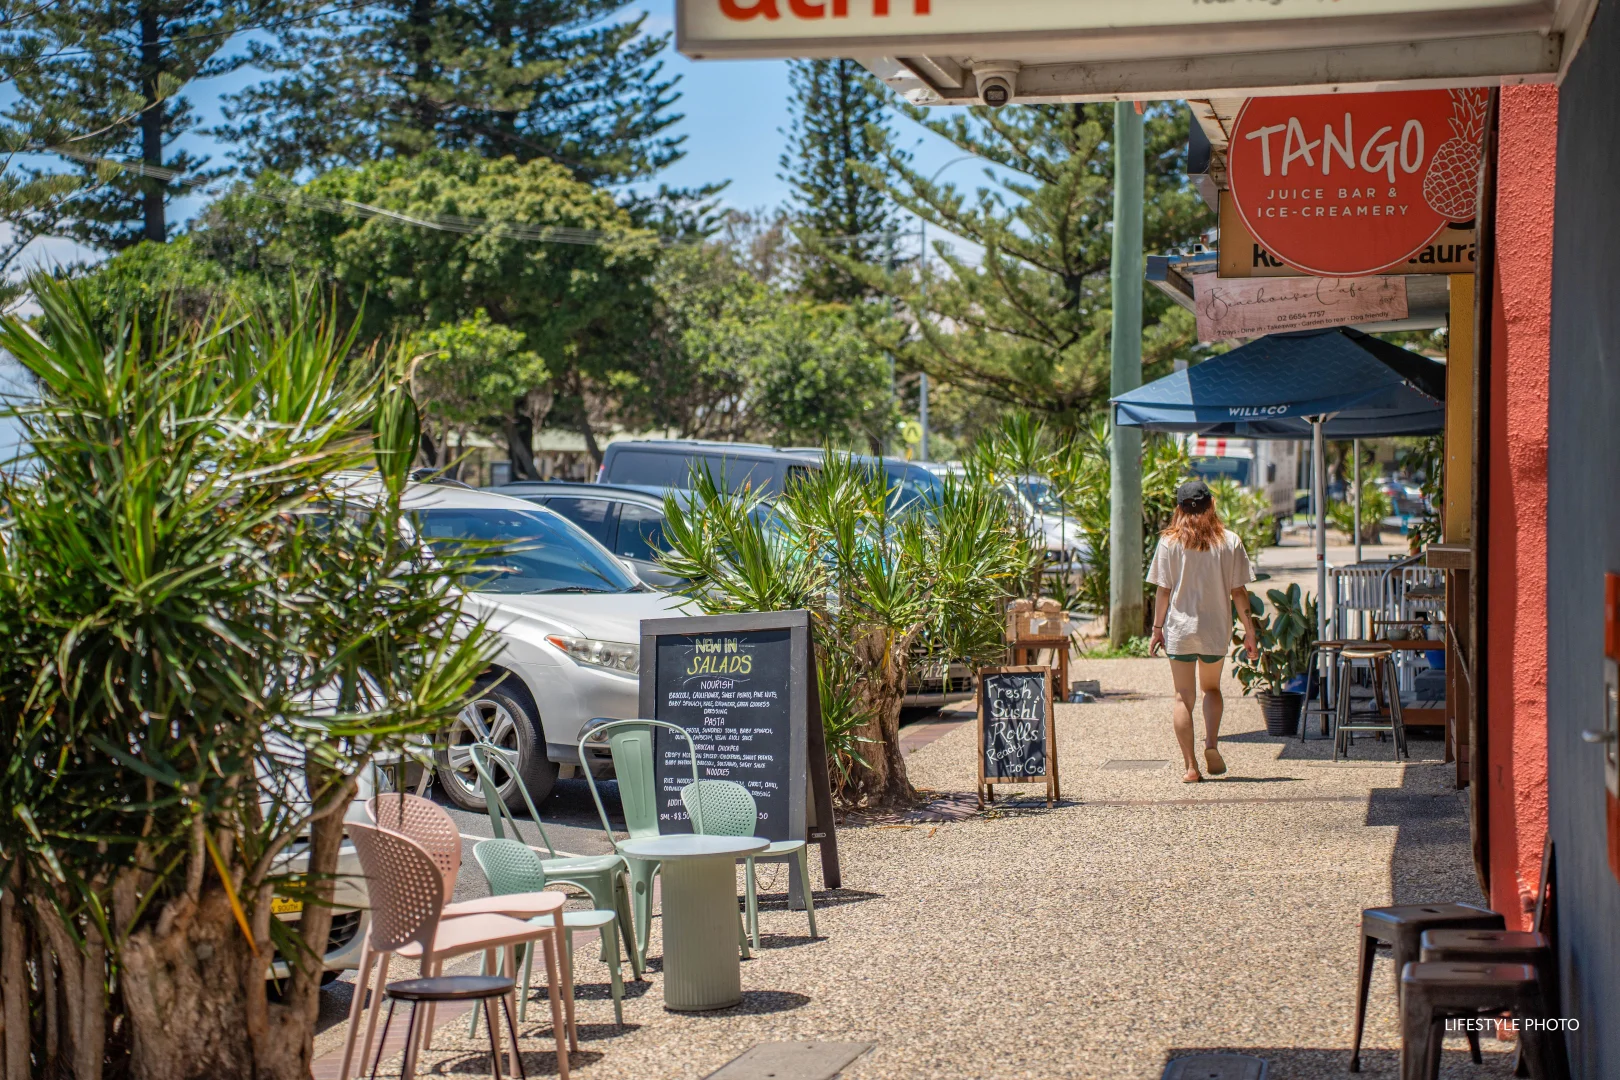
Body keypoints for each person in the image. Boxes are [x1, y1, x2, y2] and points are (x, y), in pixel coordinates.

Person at [1147, 479, 1260, 783]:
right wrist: (1249, 632)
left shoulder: (1169, 542)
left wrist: (1157, 629)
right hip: (1214, 629)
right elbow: (1239, 592)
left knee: (1183, 697)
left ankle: (1190, 767)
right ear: (1211, 504)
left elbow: (1163, 592)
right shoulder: (1230, 541)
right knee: (1211, 689)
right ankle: (1211, 743)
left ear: (1179, 508)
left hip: (1180, 631)